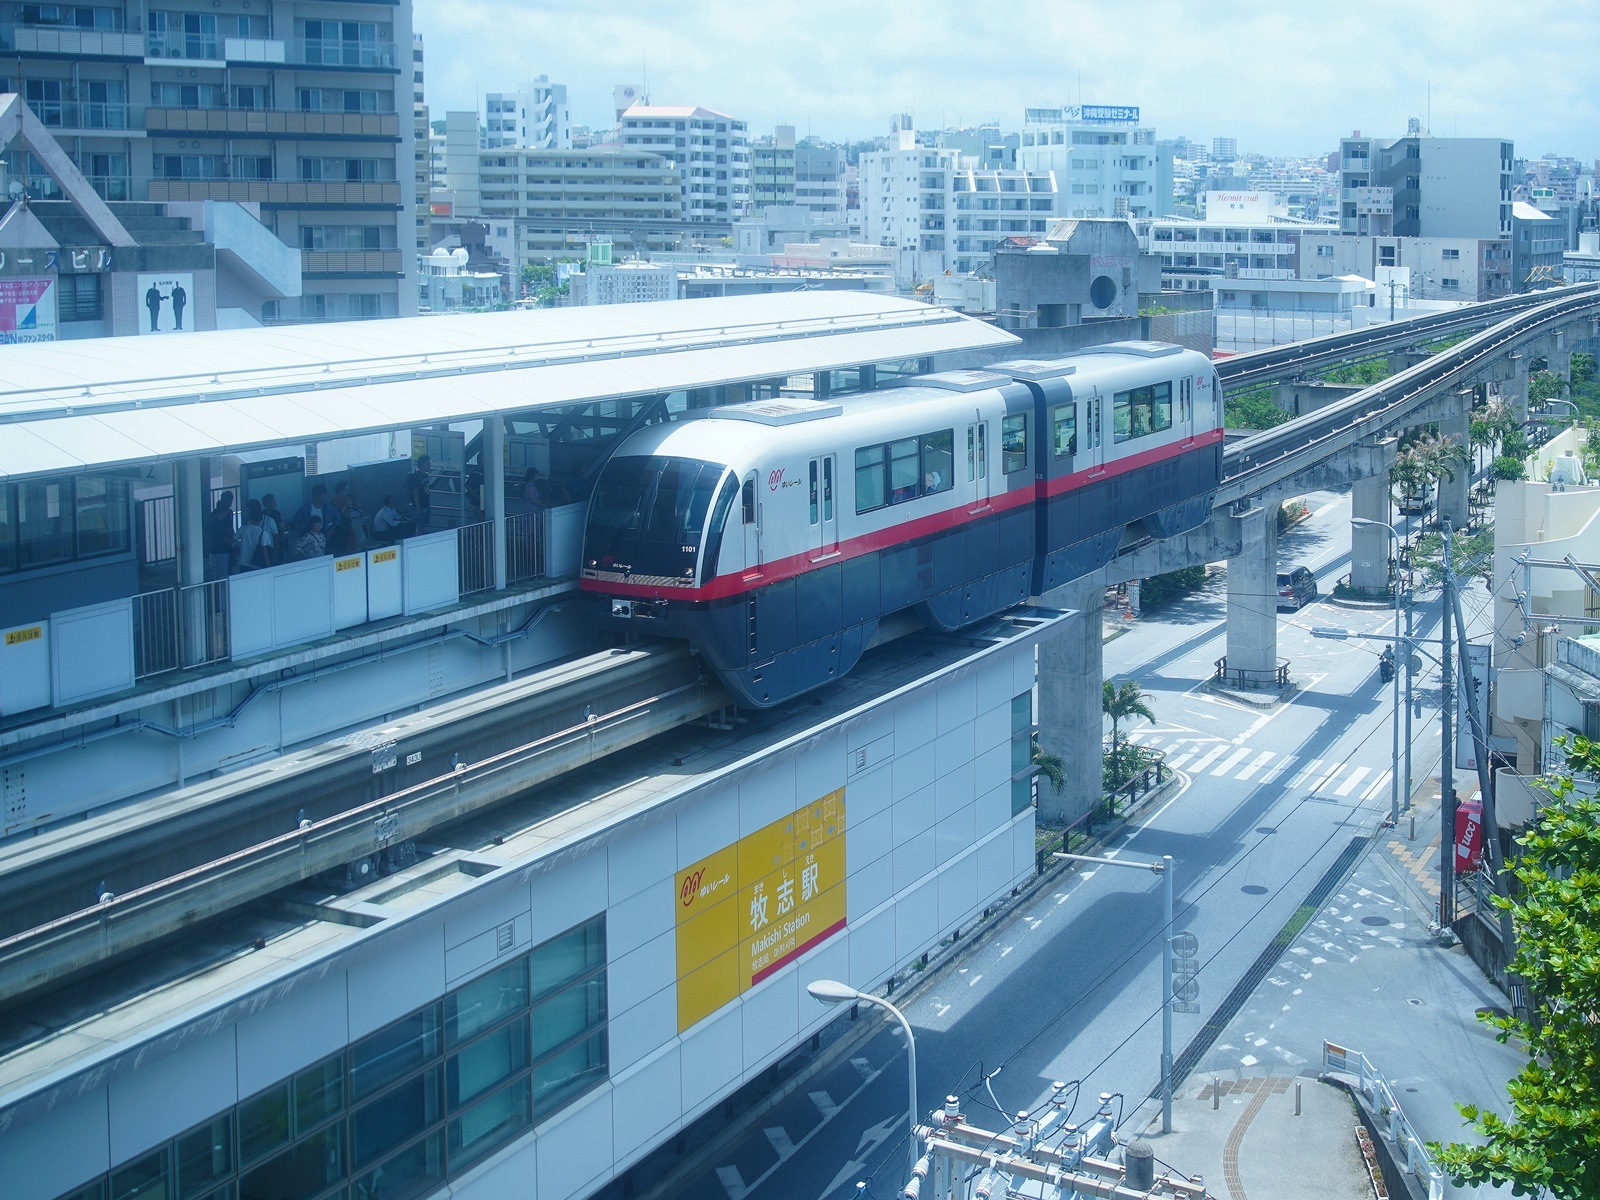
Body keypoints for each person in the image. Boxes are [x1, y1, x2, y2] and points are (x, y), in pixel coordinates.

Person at [203, 497, 236, 579]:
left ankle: (217, 591)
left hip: (213, 551)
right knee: (223, 576)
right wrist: (237, 539)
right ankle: (222, 592)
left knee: (216, 575)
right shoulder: (218, 524)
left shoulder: (210, 520)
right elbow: (226, 540)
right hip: (221, 552)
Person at [238, 499, 274, 570]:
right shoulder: (263, 533)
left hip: (244, 564)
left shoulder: (243, 529)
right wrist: (268, 565)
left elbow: (232, 540)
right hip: (257, 564)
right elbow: (264, 551)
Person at [407, 456, 432, 532]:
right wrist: (418, 507)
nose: (429, 466)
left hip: (426, 505)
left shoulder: (425, 475)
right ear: (422, 466)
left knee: (423, 526)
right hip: (420, 507)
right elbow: (415, 493)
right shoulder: (416, 476)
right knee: (418, 527)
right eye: (427, 464)